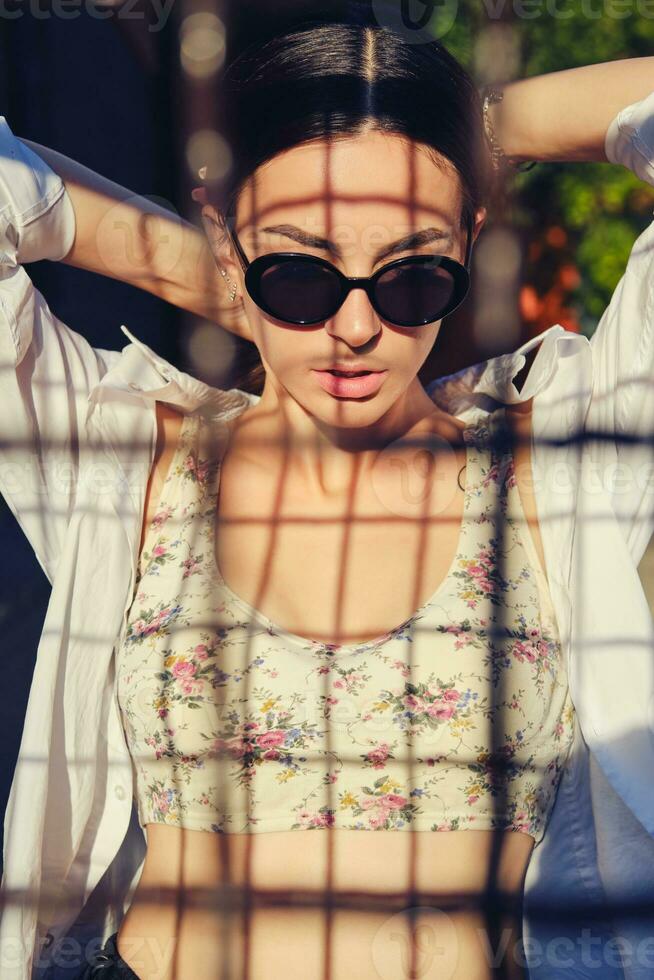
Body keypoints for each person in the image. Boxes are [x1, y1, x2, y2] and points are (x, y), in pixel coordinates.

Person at [1, 14, 654, 980]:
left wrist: (468, 129)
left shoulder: (554, 463)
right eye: (303, 274)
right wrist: (218, 278)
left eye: (411, 276)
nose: (354, 326)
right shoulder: (132, 461)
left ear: (471, 240)